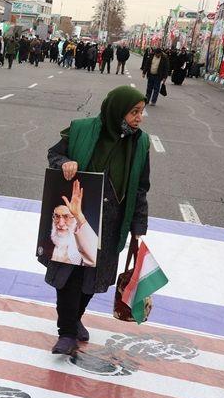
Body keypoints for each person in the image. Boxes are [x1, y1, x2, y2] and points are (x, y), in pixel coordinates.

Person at [41, 86, 150, 355]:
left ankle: (75, 318)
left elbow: (140, 188)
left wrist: (138, 227)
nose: (139, 117)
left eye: (141, 111)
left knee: (93, 277)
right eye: (134, 112)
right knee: (70, 274)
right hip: (79, 213)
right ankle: (66, 333)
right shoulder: (82, 129)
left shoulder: (140, 143)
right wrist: (65, 162)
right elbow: (54, 154)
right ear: (117, 111)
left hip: (112, 222)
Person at [44, 192, 99, 267]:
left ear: (76, 219)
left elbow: (94, 261)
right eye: (56, 216)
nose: (60, 224)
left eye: (66, 217)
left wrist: (79, 216)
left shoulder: (85, 247)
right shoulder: (46, 245)